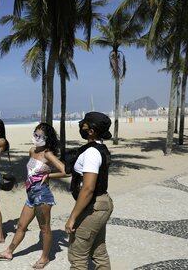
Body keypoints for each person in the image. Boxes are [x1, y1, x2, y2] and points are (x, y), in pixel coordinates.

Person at [0, 123, 69, 269]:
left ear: (46, 138)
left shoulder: (48, 154)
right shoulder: (32, 151)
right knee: (21, 225)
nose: (36, 137)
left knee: (45, 228)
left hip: (42, 195)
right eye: (35, 134)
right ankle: (9, 252)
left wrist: (49, 175)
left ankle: (45, 257)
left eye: (39, 136)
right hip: (30, 195)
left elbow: (66, 171)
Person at [66, 112, 114, 270]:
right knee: (98, 251)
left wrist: (72, 217)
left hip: (93, 206)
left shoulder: (92, 153)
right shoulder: (99, 148)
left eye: (84, 124)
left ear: (92, 131)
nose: (81, 126)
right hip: (102, 203)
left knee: (77, 256)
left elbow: (88, 188)